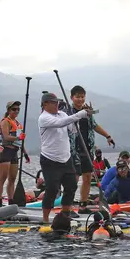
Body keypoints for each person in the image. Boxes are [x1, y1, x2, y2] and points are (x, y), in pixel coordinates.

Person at [38, 92, 89, 223]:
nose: (57, 105)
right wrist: (78, 114)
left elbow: (72, 129)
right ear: (45, 104)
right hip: (50, 159)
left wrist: (78, 119)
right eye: (53, 103)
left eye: (57, 102)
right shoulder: (43, 118)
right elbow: (61, 123)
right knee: (52, 189)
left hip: (66, 158)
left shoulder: (63, 114)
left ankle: (65, 214)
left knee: (71, 186)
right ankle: (45, 219)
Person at [69, 85, 114, 214]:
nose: (80, 99)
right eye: (77, 97)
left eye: (82, 97)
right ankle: (69, 206)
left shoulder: (88, 112)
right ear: (72, 97)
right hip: (74, 149)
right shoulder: (68, 112)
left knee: (87, 178)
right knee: (74, 179)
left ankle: (82, 206)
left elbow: (95, 126)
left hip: (88, 148)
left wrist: (108, 136)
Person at [0, 101, 29, 207]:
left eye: (18, 109)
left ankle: (11, 200)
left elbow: (20, 142)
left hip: (14, 152)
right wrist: (19, 137)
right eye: (14, 109)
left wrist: (26, 154)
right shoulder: (5, 122)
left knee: (12, 178)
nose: (16, 111)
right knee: (2, 177)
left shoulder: (18, 124)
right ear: (9, 110)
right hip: (5, 151)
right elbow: (6, 136)